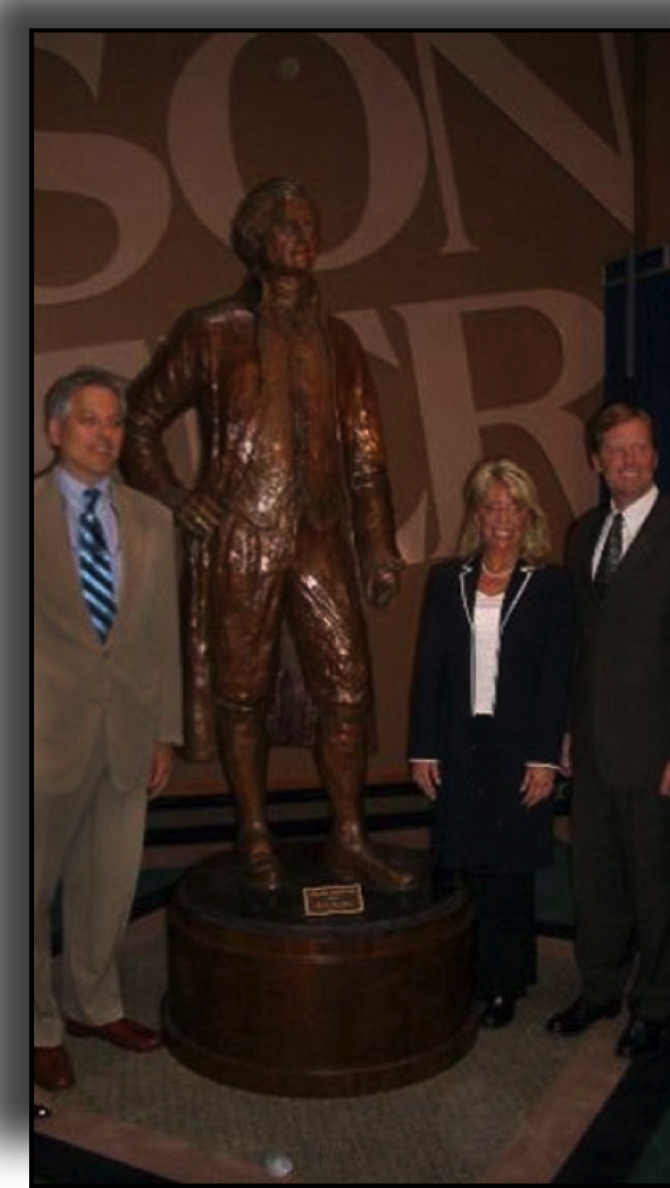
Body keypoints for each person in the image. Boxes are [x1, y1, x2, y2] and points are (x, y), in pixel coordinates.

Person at [120, 176, 414, 893]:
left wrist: (377, 545)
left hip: (319, 539)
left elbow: (366, 453)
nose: (303, 237)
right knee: (241, 693)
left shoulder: (338, 339)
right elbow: (140, 421)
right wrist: (175, 497)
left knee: (347, 691)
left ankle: (349, 836)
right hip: (241, 540)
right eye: (287, 226)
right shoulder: (211, 329)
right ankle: (254, 833)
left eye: (311, 225)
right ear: (256, 240)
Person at [546, 402, 670, 1057]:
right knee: (593, 877)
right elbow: (582, 647)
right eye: (616, 450)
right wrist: (569, 729)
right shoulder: (582, 532)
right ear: (596, 461)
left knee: (656, 884)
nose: (629, 460)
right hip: (593, 746)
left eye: (641, 448)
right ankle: (598, 989)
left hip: (659, 753)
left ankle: (655, 1001)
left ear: (655, 456)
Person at [34, 367, 183, 1092]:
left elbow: (161, 636)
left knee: (108, 883)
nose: (106, 435)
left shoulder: (152, 520)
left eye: (116, 422)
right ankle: (36, 1024)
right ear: (55, 429)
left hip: (128, 735)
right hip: (38, 737)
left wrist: (165, 732)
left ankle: (93, 1003)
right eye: (90, 420)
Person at [408, 459, 575, 1027]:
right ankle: (461, 974)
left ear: (529, 516)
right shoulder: (446, 579)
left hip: (518, 745)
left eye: (513, 506)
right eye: (492, 506)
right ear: (476, 513)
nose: (502, 518)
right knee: (458, 860)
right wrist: (423, 748)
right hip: (460, 742)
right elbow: (428, 670)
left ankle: (505, 982)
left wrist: (544, 757)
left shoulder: (549, 585)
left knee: (508, 870)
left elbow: (557, 678)